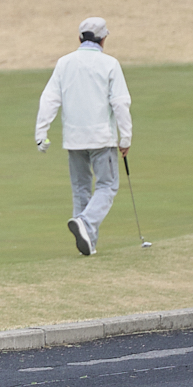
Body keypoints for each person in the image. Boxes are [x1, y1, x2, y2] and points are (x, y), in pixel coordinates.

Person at [34, 17, 133, 257]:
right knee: (108, 186)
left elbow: (49, 99)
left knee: (81, 189)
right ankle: (86, 224)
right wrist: (126, 138)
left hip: (74, 138)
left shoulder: (64, 63)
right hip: (102, 138)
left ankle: (88, 244)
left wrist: (41, 133)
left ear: (79, 38)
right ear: (104, 39)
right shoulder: (110, 63)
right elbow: (120, 102)